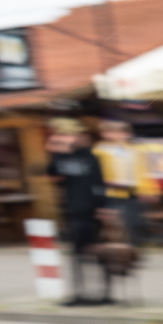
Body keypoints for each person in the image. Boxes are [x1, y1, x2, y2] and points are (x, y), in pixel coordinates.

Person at [45, 123, 110, 306]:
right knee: (79, 254)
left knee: (93, 253)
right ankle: (83, 293)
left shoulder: (91, 158)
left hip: (89, 212)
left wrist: (102, 207)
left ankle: (99, 293)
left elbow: (99, 183)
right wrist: (56, 150)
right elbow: (51, 172)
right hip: (76, 211)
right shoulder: (65, 158)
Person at [91, 120, 155, 258]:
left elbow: (143, 172)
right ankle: (112, 253)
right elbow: (95, 173)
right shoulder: (99, 150)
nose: (118, 135)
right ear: (104, 134)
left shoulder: (135, 150)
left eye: (122, 132)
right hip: (110, 193)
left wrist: (149, 190)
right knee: (113, 225)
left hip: (133, 191)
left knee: (134, 223)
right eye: (112, 132)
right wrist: (105, 183)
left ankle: (132, 252)